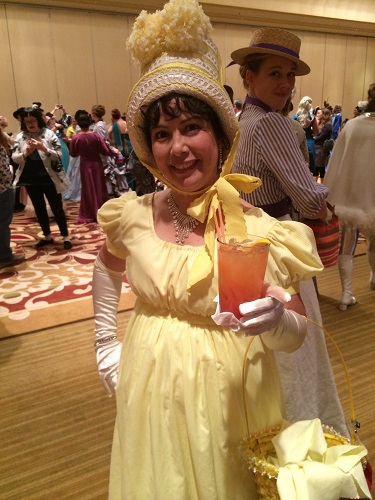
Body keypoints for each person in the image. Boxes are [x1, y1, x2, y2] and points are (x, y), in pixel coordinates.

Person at [92, 2, 332, 497]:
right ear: (148, 147)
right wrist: (103, 345)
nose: (177, 147)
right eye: (162, 134)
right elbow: (107, 265)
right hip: (147, 391)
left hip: (234, 405)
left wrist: (278, 320)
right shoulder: (133, 215)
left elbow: (295, 336)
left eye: (192, 128)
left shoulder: (259, 227)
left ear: (221, 137)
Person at [230, 27, 347, 436]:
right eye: (275, 73)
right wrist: (330, 196)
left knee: (259, 347)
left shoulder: (242, 119)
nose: (285, 83)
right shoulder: (272, 125)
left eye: (290, 74)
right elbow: (308, 196)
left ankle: (267, 435)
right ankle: (303, 433)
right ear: (249, 76)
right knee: (297, 349)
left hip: (244, 242)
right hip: (275, 241)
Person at [324, 82, 375, 311]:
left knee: (347, 244)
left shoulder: (352, 126)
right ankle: (374, 277)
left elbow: (337, 162)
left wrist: (329, 194)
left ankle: (346, 294)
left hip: (350, 194)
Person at [12, 107, 72, 249]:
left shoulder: (49, 134)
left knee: (56, 208)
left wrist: (43, 148)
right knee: (39, 208)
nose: (30, 124)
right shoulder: (20, 137)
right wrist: (25, 153)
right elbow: (15, 158)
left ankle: (65, 236)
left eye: (33, 120)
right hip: (30, 179)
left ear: (39, 120)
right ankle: (47, 236)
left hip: (50, 178)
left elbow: (59, 155)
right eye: (27, 122)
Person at [69, 112, 116, 223]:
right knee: (99, 187)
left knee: (88, 188)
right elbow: (105, 151)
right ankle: (101, 210)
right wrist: (115, 153)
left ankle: (90, 212)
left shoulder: (76, 138)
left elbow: (73, 154)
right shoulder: (96, 136)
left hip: (85, 165)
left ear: (79, 124)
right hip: (96, 164)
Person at [0, 125, 25, 269]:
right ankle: (5, 255)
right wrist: (10, 171)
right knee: (3, 224)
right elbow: (3, 173)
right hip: (3, 190)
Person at [91, 104, 129, 197]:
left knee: (107, 175)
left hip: (103, 153)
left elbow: (102, 140)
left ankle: (109, 195)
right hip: (106, 150)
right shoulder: (101, 124)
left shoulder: (99, 125)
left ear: (94, 113)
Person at [292, 96, 320, 180]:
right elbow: (316, 132)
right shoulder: (312, 117)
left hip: (297, 143)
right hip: (310, 142)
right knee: (310, 169)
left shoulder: (294, 117)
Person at [314, 107, 332, 182]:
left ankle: (319, 185)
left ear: (324, 115)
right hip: (318, 149)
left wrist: (312, 139)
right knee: (318, 168)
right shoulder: (322, 124)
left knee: (319, 168)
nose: (317, 114)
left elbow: (320, 137)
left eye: (319, 113)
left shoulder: (328, 125)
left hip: (321, 149)